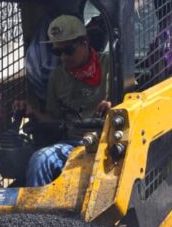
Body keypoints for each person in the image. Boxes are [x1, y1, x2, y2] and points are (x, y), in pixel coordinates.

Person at [15, 15, 111, 187]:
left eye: (68, 50)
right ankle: (39, 205)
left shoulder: (110, 65)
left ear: (84, 42)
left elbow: (132, 104)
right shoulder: (57, 77)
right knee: (40, 159)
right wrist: (33, 112)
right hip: (74, 146)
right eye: (57, 52)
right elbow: (55, 119)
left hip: (109, 143)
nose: (63, 57)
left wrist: (114, 108)